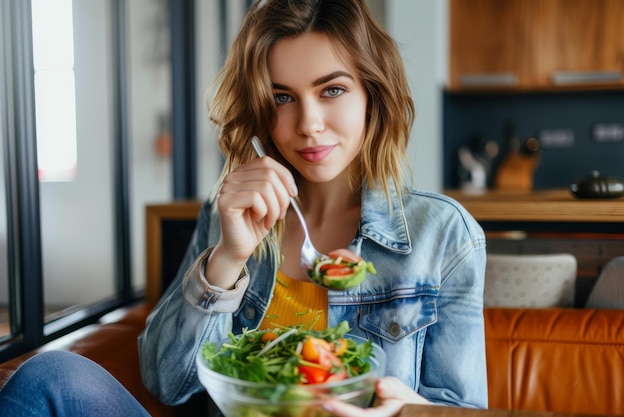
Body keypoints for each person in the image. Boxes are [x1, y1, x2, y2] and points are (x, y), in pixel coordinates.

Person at [0, 1, 487, 416]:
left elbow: (464, 409)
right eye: (282, 98)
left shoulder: (444, 234)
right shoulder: (228, 215)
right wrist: (226, 259)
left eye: (332, 90)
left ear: (371, 95)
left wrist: (407, 409)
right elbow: (166, 382)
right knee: (49, 375)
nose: (309, 124)